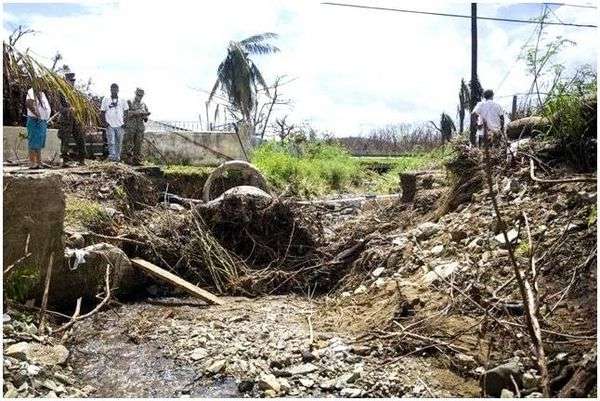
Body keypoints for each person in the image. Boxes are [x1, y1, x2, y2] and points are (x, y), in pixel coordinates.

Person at [58, 73, 87, 166]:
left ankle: (82, 159)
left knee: (80, 138)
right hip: (66, 119)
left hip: (76, 119)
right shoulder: (60, 92)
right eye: (70, 80)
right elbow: (58, 107)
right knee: (65, 139)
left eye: (73, 81)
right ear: (66, 81)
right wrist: (68, 110)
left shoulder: (76, 93)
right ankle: (65, 160)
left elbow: (82, 106)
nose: (72, 82)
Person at [100, 83, 129, 162]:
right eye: (112, 89)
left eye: (115, 89)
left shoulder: (122, 100)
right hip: (110, 125)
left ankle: (117, 158)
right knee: (111, 142)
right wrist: (105, 123)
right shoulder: (106, 99)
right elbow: (102, 112)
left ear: (118, 90)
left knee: (119, 142)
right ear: (110, 90)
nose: (114, 91)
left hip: (120, 125)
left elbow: (126, 111)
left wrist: (125, 122)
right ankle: (112, 158)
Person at [25, 87, 51, 169]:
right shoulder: (31, 91)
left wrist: (44, 116)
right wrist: (37, 114)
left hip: (42, 120)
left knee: (39, 142)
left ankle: (39, 162)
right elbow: (29, 103)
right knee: (33, 141)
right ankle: (32, 162)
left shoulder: (42, 93)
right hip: (34, 119)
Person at [123, 88, 150, 165]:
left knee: (138, 144)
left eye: (141, 95)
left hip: (140, 128)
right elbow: (126, 114)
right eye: (138, 95)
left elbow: (146, 119)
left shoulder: (143, 104)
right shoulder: (129, 102)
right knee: (129, 144)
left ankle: (137, 160)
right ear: (135, 93)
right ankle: (128, 160)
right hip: (131, 127)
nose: (140, 97)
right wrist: (136, 113)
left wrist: (145, 116)